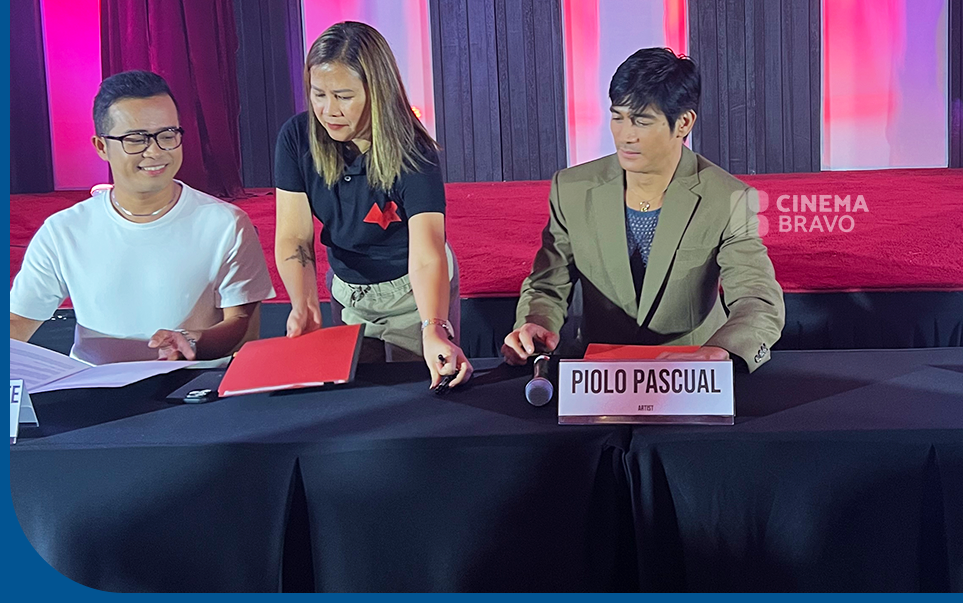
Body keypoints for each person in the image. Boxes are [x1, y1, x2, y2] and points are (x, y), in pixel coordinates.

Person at [503, 47, 785, 370]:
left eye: (641, 121)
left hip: (692, 370)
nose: (625, 136)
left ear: (683, 123)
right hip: (600, 370)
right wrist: (535, 324)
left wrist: (721, 352)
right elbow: (547, 283)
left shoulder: (728, 197)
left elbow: (756, 297)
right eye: (618, 117)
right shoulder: (572, 189)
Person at [10, 71, 273, 363]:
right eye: (136, 140)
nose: (155, 151)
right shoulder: (64, 231)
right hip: (92, 384)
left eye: (167, 136)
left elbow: (243, 327)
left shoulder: (225, 223)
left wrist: (191, 342)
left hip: (191, 381)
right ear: (101, 147)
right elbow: (18, 321)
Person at [275, 22, 469, 387]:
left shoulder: (411, 150)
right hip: (349, 292)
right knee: (361, 390)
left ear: (376, 92)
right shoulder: (296, 138)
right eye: (319, 94)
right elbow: (293, 236)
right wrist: (304, 303)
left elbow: (427, 251)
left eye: (343, 97)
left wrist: (433, 326)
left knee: (423, 389)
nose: (328, 110)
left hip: (411, 292)